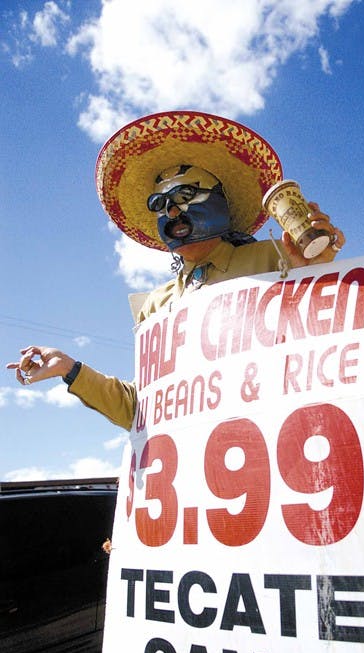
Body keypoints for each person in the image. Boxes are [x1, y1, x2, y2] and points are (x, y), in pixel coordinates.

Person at [7, 111, 345, 431]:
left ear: (221, 201)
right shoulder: (156, 306)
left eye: (186, 193)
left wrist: (316, 274)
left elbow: (328, 347)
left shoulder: (277, 258)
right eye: (159, 204)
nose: (171, 210)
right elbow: (144, 411)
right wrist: (70, 370)